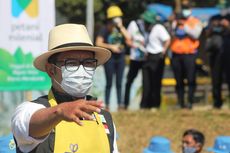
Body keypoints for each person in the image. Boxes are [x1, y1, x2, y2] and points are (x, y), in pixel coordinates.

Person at [11, 24, 119, 153]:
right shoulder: (29, 110)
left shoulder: (104, 118)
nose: (81, 69)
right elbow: (30, 126)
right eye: (71, 63)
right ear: (51, 70)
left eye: (88, 63)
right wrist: (60, 111)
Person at [95, 5, 131, 110]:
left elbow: (129, 39)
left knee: (120, 82)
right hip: (110, 58)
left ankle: (120, 104)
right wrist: (111, 47)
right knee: (109, 82)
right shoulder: (105, 29)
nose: (117, 19)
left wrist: (121, 27)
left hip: (120, 58)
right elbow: (98, 43)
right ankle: (107, 105)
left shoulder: (121, 29)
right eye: (115, 17)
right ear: (110, 19)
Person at [170, 3, 203, 109]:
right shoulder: (175, 21)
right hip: (176, 55)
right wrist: (174, 22)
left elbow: (196, 34)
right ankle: (180, 102)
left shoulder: (195, 21)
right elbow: (170, 34)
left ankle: (190, 102)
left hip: (189, 55)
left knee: (191, 79)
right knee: (178, 80)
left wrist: (184, 25)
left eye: (186, 8)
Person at [123, 10, 155, 109]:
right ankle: (125, 104)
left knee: (146, 82)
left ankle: (144, 105)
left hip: (146, 59)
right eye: (147, 22)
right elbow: (127, 40)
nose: (148, 24)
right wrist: (134, 45)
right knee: (129, 81)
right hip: (135, 58)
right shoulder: (134, 25)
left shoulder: (151, 28)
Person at [140, 10, 171, 109]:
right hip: (148, 56)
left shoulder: (158, 28)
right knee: (146, 82)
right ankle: (145, 105)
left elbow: (167, 39)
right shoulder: (147, 30)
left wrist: (163, 51)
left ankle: (155, 104)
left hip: (157, 57)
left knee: (156, 82)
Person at [205, 14, 225, 109]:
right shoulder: (212, 21)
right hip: (215, 56)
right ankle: (217, 102)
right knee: (216, 80)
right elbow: (206, 34)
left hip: (226, 55)